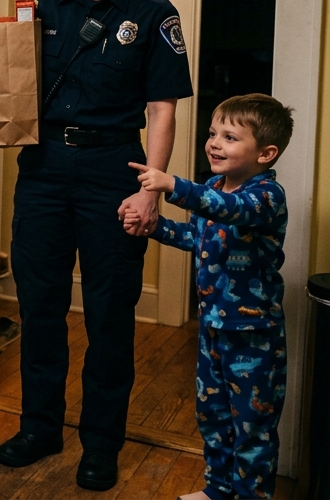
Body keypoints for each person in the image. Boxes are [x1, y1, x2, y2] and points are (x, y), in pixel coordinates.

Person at [0, 0, 195, 491]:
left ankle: (101, 443)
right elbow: (6, 76)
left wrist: (151, 190)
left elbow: (162, 110)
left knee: (110, 314)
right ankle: (40, 427)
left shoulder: (152, 13)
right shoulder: (44, 3)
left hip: (112, 172)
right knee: (40, 307)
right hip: (41, 172)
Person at [123, 94, 293, 500]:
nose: (215, 143)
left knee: (252, 426)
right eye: (213, 133)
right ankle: (218, 490)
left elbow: (229, 210)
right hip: (212, 329)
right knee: (213, 417)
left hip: (252, 334)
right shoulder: (215, 186)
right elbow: (197, 235)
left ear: (266, 153)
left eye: (230, 137)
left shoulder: (266, 196)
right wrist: (155, 226)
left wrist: (172, 185)